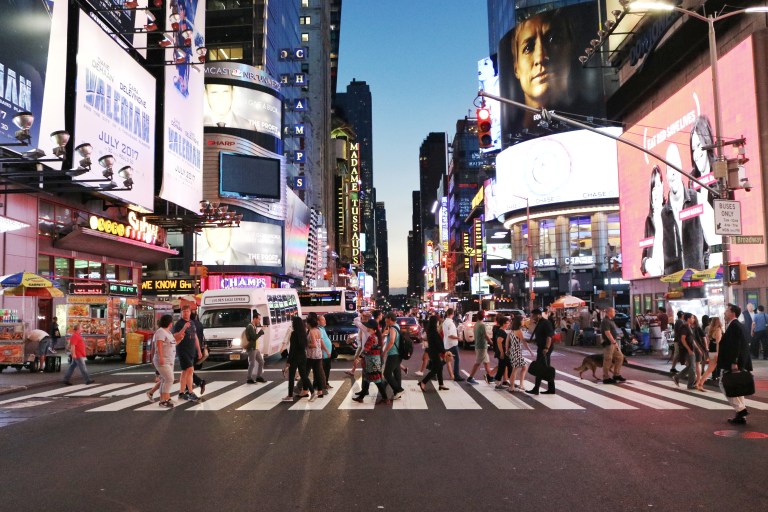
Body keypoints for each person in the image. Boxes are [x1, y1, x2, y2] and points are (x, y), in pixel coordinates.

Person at [661, 144, 706, 273]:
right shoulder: (663, 213)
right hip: (674, 280)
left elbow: (714, 239)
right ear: (666, 174)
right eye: (669, 168)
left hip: (698, 276)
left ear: (681, 169)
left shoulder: (697, 199)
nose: (673, 172)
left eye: (675, 166)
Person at [689, 115, 721, 267]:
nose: (697, 153)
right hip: (700, 261)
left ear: (707, 142)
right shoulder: (691, 181)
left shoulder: (720, 171)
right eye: (693, 148)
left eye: (700, 146)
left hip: (722, 254)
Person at [717, 304, 751, 424]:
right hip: (739, 362)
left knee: (724, 384)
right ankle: (741, 415)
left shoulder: (734, 326)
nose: (724, 312)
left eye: (726, 310)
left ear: (732, 312)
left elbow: (735, 346)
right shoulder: (738, 325)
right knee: (738, 387)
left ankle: (741, 409)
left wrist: (734, 362)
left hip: (732, 362)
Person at [352, 319, 390, 404]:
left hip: (371, 362)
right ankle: (361, 397)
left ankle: (385, 398)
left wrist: (358, 359)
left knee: (377, 381)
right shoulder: (377, 337)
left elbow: (366, 350)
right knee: (367, 379)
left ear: (373, 329)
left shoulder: (372, 337)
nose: (367, 328)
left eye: (368, 326)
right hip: (375, 361)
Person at [172, 305, 203, 402]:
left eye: (187, 311)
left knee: (185, 371)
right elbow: (176, 336)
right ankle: (190, 392)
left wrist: (199, 350)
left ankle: (181, 393)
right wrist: (184, 328)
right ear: (181, 313)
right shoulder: (179, 324)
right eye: (184, 311)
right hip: (182, 350)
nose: (186, 313)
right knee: (190, 370)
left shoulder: (192, 323)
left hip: (191, 350)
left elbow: (195, 337)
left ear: (190, 312)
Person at [641, 166, 666, 277]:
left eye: (658, 186)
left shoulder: (669, 213)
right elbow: (644, 254)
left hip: (671, 274)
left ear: (663, 187)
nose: (655, 193)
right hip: (655, 276)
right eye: (653, 189)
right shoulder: (649, 220)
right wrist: (647, 264)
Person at [283, 316, 313, 402]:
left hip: (295, 358)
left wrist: (288, 361)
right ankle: (312, 392)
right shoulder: (304, 333)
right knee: (304, 376)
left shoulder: (294, 334)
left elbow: (292, 349)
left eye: (293, 323)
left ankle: (290, 396)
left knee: (291, 377)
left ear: (295, 324)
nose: (292, 324)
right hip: (303, 357)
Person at [526, 309, 556, 395]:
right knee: (545, 367)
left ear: (538, 315)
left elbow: (549, 337)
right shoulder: (539, 323)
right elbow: (540, 336)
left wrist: (546, 348)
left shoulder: (546, 323)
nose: (532, 318)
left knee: (540, 367)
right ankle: (551, 388)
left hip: (545, 348)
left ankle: (536, 388)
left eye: (533, 316)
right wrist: (531, 340)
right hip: (541, 347)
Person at [151, 315, 176, 408]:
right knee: (169, 379)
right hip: (163, 359)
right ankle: (165, 399)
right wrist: (161, 357)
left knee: (164, 379)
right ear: (169, 323)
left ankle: (163, 400)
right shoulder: (160, 331)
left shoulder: (168, 332)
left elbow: (171, 344)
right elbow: (159, 345)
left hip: (168, 359)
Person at [419, 315, 449, 392]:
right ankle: (423, 382)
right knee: (436, 368)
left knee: (439, 368)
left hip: (433, 351)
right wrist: (444, 352)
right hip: (434, 352)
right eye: (437, 321)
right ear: (435, 322)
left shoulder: (431, 330)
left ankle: (441, 384)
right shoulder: (433, 332)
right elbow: (437, 344)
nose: (438, 323)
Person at [672, 313, 701, 390]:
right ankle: (690, 384)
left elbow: (692, 339)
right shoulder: (684, 327)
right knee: (692, 367)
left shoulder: (690, 327)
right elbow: (683, 339)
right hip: (686, 350)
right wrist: (689, 349)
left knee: (691, 366)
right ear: (688, 319)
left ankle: (677, 377)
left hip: (691, 349)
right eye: (692, 318)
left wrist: (697, 348)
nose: (693, 319)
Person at [466, 310, 494, 385]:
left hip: (479, 345)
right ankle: (470, 377)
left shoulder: (476, 324)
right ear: (484, 316)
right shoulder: (482, 325)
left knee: (486, 362)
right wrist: (491, 342)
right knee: (478, 363)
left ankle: (490, 377)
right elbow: (485, 335)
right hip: (482, 346)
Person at [508, 315, 534, 392]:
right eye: (522, 320)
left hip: (514, 351)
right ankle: (512, 386)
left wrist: (507, 350)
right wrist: (530, 351)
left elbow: (507, 341)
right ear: (519, 322)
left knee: (523, 367)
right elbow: (524, 342)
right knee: (515, 369)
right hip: (517, 351)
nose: (524, 321)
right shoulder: (519, 331)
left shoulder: (512, 331)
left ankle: (520, 384)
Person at [600, 307, 626, 384]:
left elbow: (612, 331)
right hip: (609, 343)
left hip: (613, 342)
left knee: (620, 357)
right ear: (609, 312)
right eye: (613, 311)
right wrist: (614, 342)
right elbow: (607, 332)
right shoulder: (605, 321)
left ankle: (616, 374)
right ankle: (606, 377)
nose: (614, 313)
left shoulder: (610, 321)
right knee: (608, 359)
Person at [382, 313, 404, 400]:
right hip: (398, 354)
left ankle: (398, 390)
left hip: (393, 354)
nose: (384, 320)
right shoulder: (397, 326)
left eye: (386, 319)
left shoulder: (392, 328)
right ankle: (397, 393)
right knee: (397, 373)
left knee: (387, 374)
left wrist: (384, 351)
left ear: (390, 319)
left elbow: (391, 341)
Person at [698, 316, 723, 388]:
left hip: (711, 351)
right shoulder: (718, 330)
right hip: (716, 351)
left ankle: (700, 383)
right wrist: (719, 353)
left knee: (710, 369)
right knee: (719, 367)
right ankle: (700, 383)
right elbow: (718, 342)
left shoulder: (711, 329)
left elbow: (709, 341)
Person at [305, 314, 326, 400]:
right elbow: (319, 342)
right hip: (318, 354)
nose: (306, 324)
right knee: (317, 373)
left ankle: (307, 390)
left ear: (309, 324)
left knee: (305, 373)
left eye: (307, 323)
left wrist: (306, 344)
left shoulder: (311, 331)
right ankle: (320, 391)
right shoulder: (318, 330)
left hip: (311, 355)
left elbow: (313, 344)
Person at [245, 312, 266, 384]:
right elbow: (254, 337)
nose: (259, 321)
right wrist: (261, 331)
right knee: (252, 363)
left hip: (255, 348)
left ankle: (258, 377)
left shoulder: (253, 326)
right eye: (259, 319)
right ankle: (249, 378)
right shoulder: (250, 327)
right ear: (255, 318)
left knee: (261, 361)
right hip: (251, 348)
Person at [492, 315, 512, 389]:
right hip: (503, 352)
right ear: (503, 323)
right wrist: (502, 352)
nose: (508, 324)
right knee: (507, 367)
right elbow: (499, 341)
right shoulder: (501, 331)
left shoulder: (501, 331)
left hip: (503, 352)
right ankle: (508, 382)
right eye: (507, 323)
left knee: (503, 367)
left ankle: (500, 382)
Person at [442, 308, 462, 381]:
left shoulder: (445, 322)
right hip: (452, 344)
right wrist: (458, 338)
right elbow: (450, 335)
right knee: (456, 359)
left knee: (446, 360)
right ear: (452, 314)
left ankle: (435, 369)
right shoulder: (450, 323)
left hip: (447, 343)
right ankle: (456, 375)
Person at [190, 311, 207, 395]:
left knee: (187, 370)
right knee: (189, 370)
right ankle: (188, 387)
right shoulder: (200, 324)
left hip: (189, 349)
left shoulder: (189, 324)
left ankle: (199, 382)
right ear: (196, 316)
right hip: (198, 349)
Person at [318, 314, 333, 390]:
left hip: (327, 354)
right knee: (324, 370)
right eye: (323, 320)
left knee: (327, 369)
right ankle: (323, 384)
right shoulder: (319, 329)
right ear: (318, 321)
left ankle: (325, 383)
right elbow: (321, 341)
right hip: (324, 354)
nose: (325, 321)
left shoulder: (322, 328)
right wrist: (326, 351)